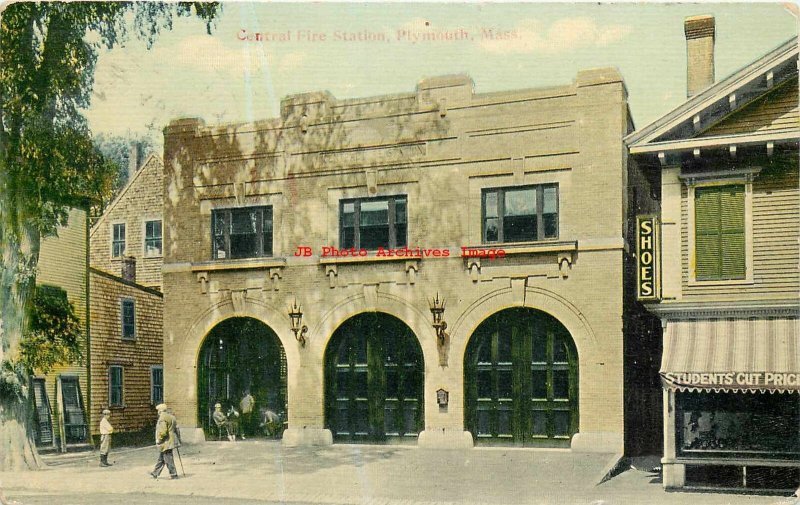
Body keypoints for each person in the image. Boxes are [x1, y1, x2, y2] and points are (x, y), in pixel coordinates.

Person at [150, 403, 180, 480]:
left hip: (165, 441)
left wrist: (159, 439)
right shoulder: (172, 417)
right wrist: (178, 439)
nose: (157, 412)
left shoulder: (162, 418)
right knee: (162, 457)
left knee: (168, 458)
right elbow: (177, 429)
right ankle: (155, 473)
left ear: (160, 411)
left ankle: (174, 474)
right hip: (171, 440)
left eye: (158, 411)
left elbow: (163, 431)